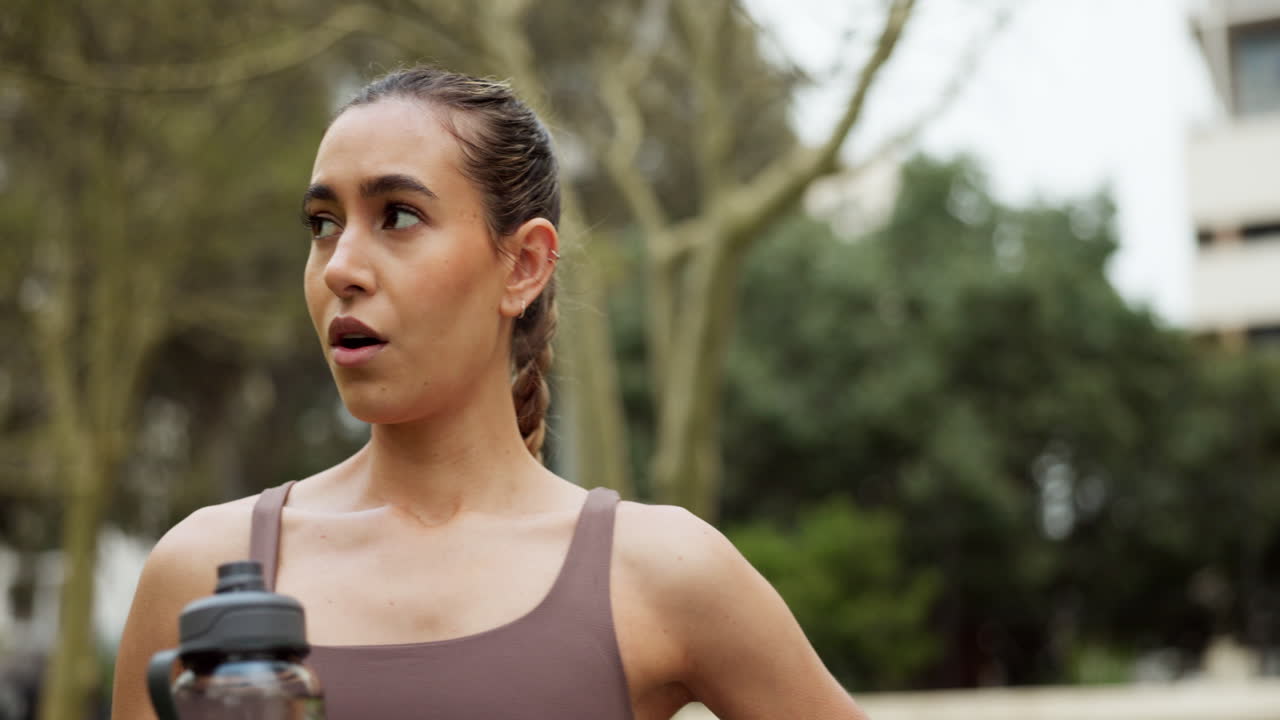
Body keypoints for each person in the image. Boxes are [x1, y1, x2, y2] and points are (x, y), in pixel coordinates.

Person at [111, 66, 867, 720]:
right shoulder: (202, 572)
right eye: (323, 223)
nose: (340, 266)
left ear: (524, 266)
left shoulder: (661, 571)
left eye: (398, 216)